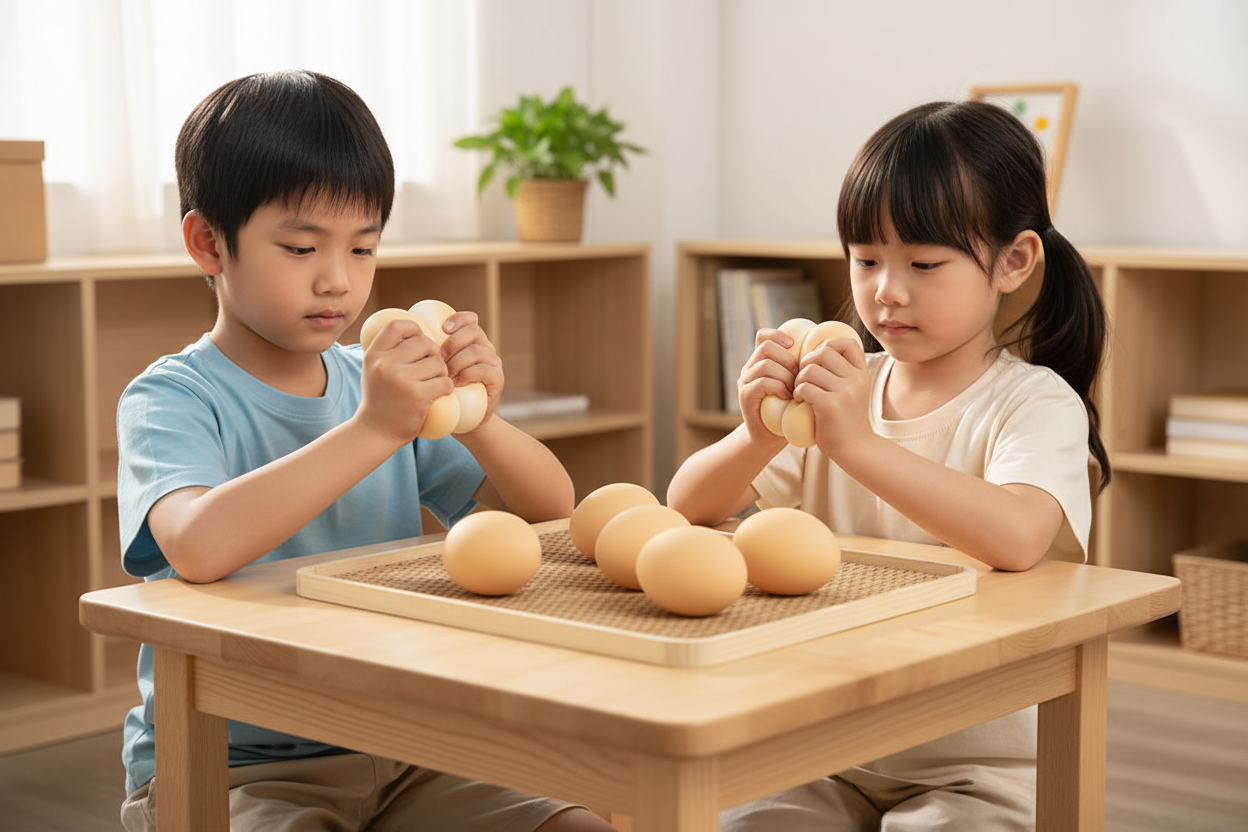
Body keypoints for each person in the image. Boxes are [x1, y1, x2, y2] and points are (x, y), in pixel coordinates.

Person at [116, 70, 612, 832]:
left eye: (364, 247)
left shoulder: (372, 384)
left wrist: (479, 416)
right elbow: (200, 546)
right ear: (207, 242)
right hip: (233, 765)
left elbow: (548, 513)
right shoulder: (171, 399)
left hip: (401, 743)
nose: (338, 280)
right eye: (301, 246)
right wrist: (376, 429)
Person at [668, 99, 1110, 830]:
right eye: (866, 259)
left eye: (923, 263)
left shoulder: (1033, 403)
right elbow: (685, 507)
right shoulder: (847, 389)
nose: (885, 290)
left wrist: (858, 447)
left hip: (976, 768)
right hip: (822, 749)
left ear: (1014, 261)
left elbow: (1019, 536)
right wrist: (754, 435)